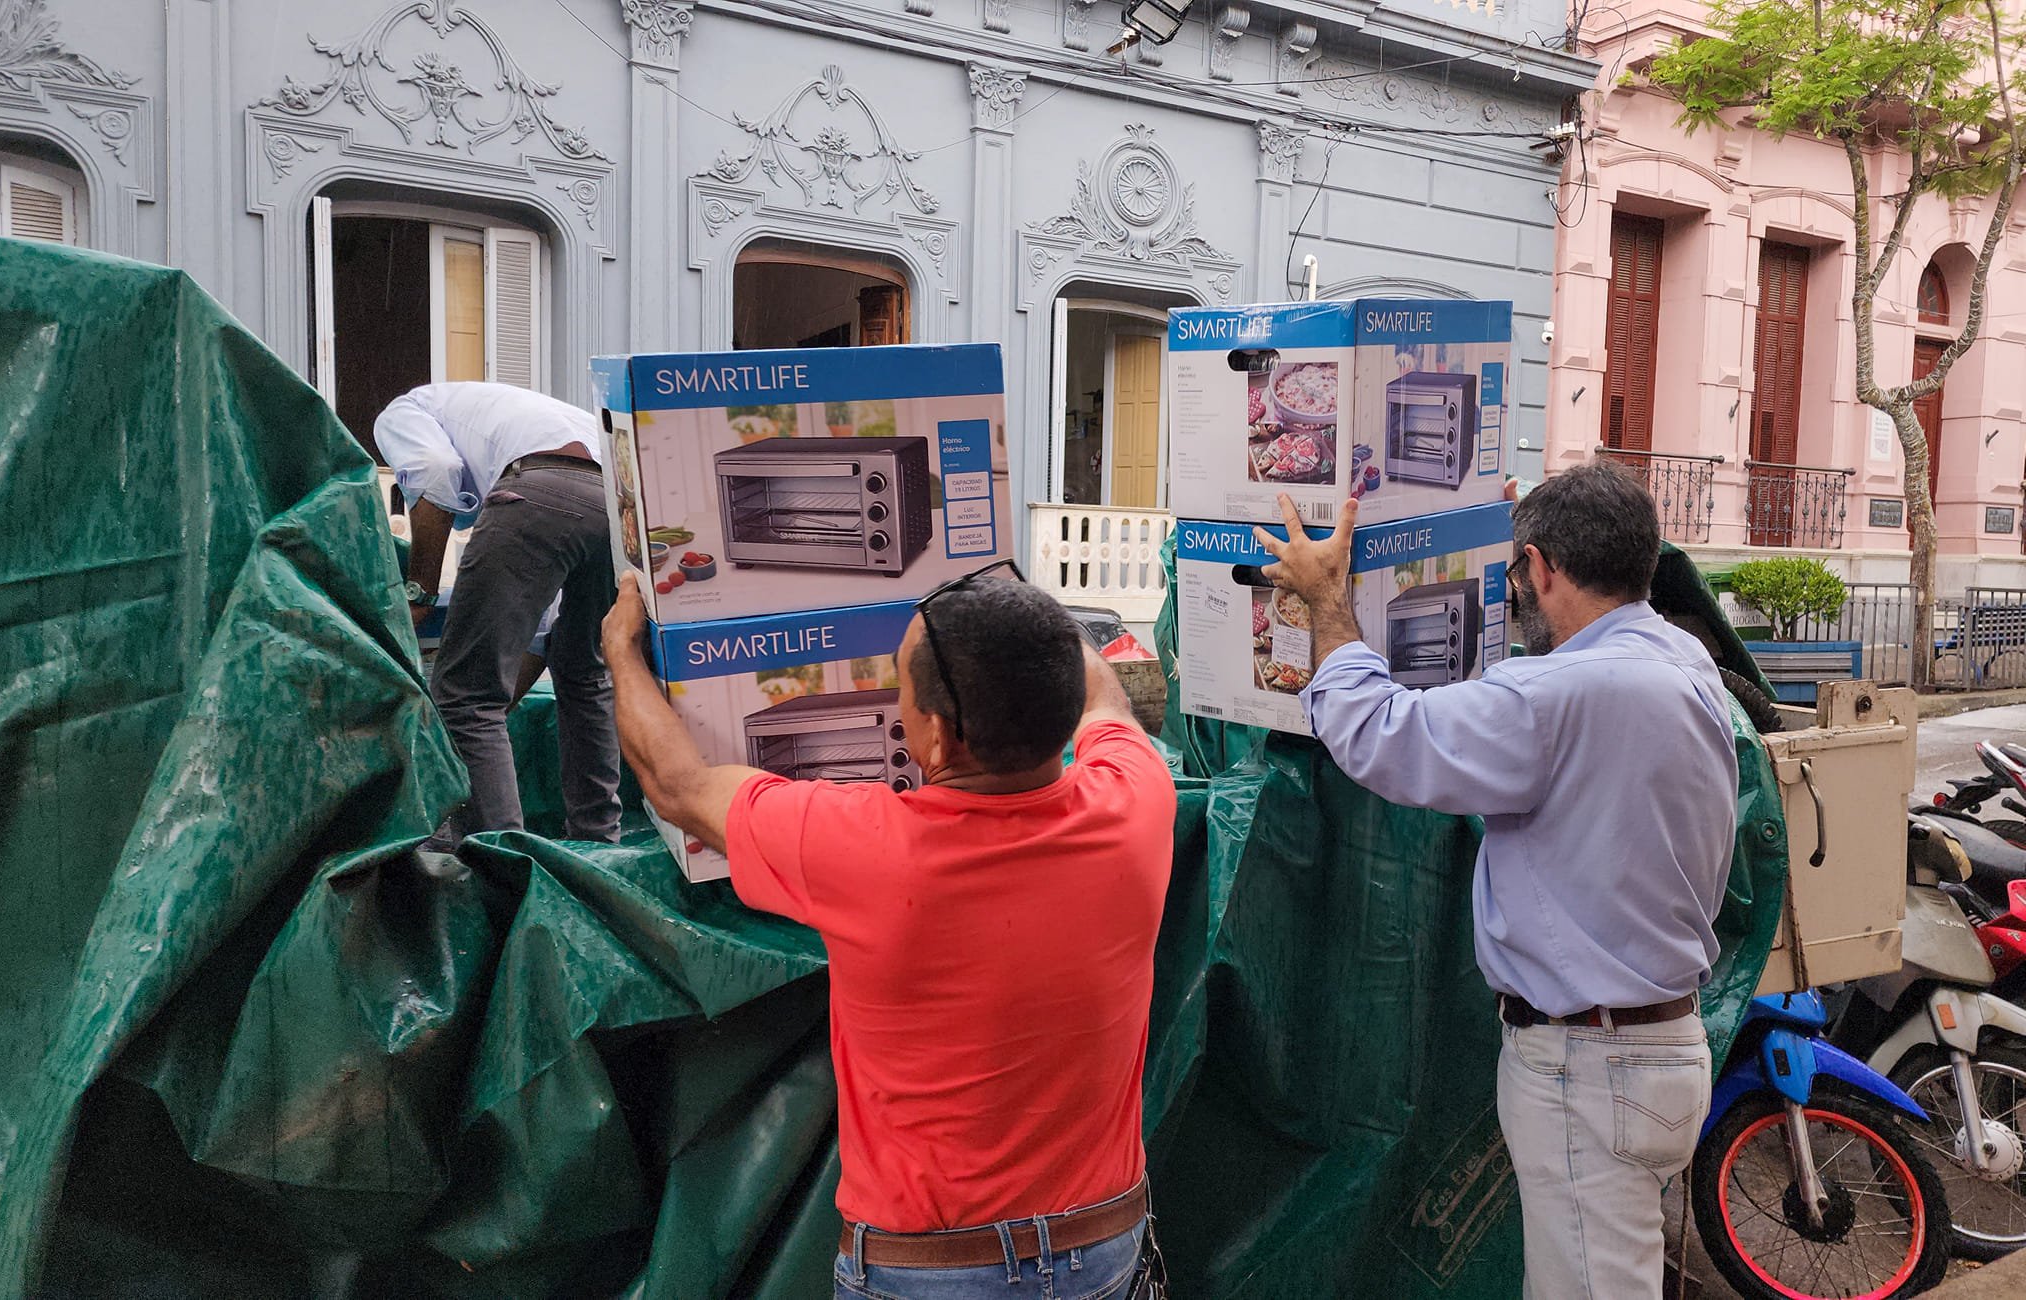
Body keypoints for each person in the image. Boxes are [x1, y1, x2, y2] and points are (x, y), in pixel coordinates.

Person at [602, 563, 1177, 1299]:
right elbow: (1105, 698)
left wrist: (621, 647)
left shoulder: (860, 847)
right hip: (1101, 1250)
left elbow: (676, 784)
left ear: (935, 739)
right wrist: (1017, 609)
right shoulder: (1137, 804)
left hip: (932, 1273)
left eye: (900, 689)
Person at [1255, 465, 1738, 1300]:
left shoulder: (1556, 695)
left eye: (1517, 573)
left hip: (1590, 1063)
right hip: (1655, 1051)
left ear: (1541, 568)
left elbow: (1380, 734)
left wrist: (1326, 599)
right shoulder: (1682, 660)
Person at [374, 381, 620, 843]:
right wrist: (489, 712)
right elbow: (539, 630)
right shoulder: (513, 412)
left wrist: (421, 589)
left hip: (537, 485)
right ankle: (597, 842)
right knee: (583, 672)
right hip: (620, 501)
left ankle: (504, 860)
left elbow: (435, 468)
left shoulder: (401, 411)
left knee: (465, 692)